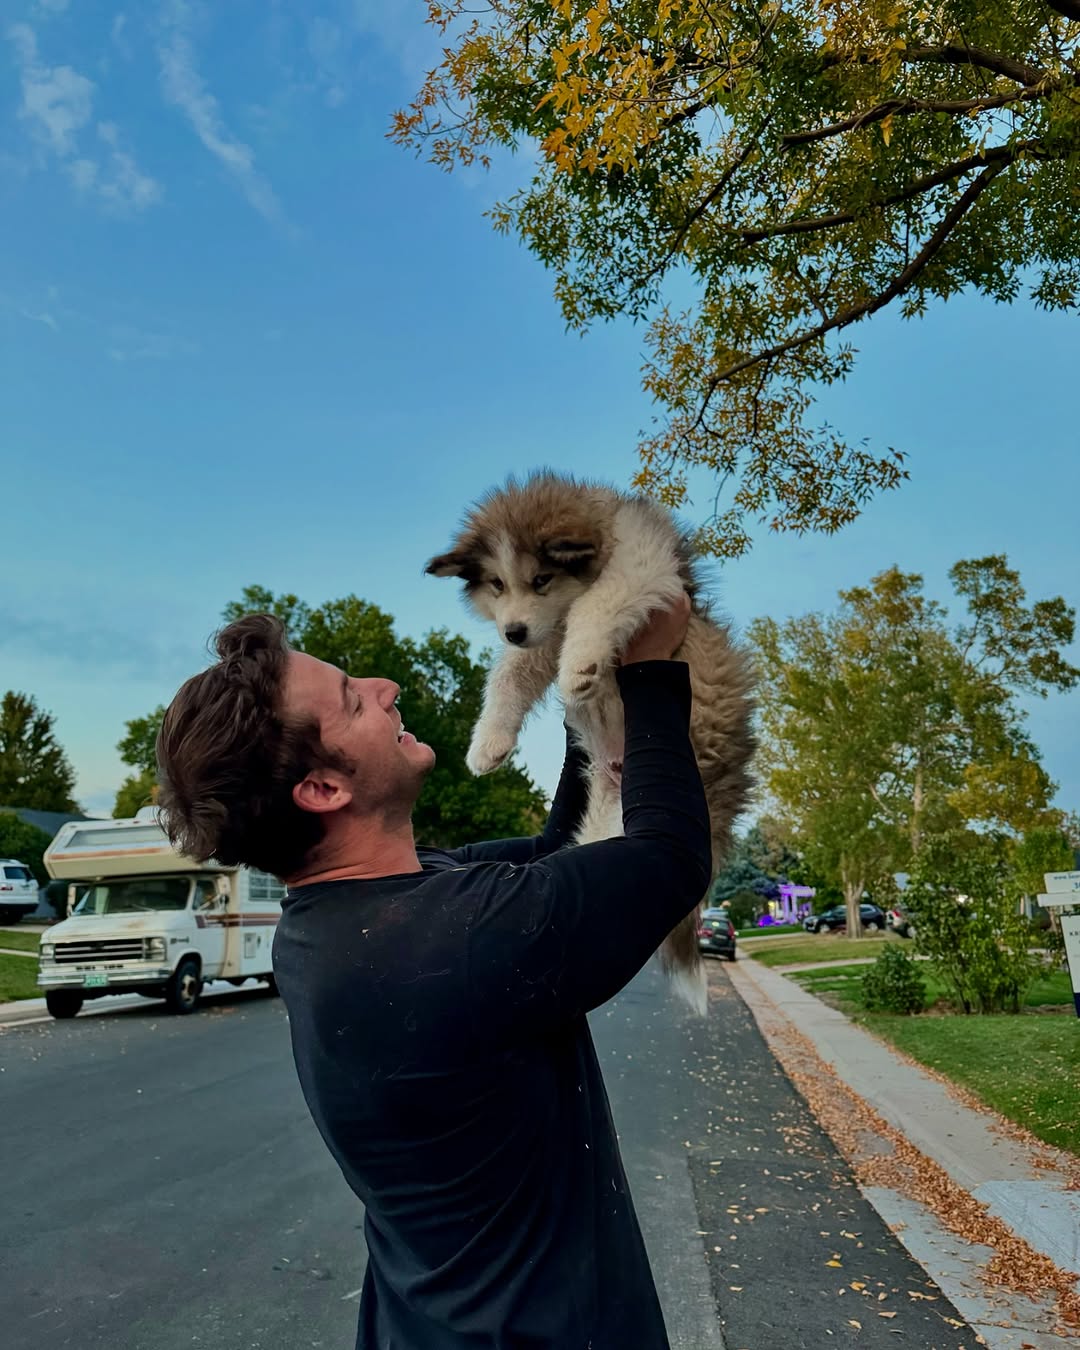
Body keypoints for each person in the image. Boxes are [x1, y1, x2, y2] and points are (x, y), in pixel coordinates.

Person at [155, 594, 710, 1350]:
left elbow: (557, 849)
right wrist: (648, 668)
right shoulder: (452, 937)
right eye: (354, 701)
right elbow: (668, 861)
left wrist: (595, 687)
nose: (386, 688)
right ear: (322, 790)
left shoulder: (349, 916)